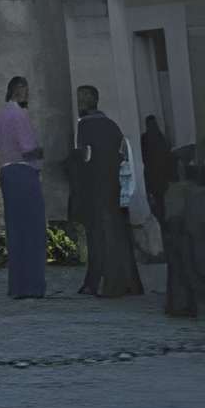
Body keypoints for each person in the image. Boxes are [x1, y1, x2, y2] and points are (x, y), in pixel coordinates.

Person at [70, 84, 144, 298]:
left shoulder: (84, 126)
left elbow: (84, 159)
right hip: (113, 188)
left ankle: (99, 282)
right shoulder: (112, 125)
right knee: (116, 233)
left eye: (81, 98)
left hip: (95, 190)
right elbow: (121, 157)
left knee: (98, 236)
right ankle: (123, 281)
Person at [0, 74, 47, 300]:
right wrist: (41, 151)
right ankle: (33, 286)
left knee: (15, 232)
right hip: (24, 172)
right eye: (24, 90)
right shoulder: (19, 115)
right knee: (33, 231)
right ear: (17, 91)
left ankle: (17, 286)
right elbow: (28, 148)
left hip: (6, 171)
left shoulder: (0, 116)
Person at [141, 115, 176, 228]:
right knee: (160, 202)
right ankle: (161, 223)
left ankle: (159, 223)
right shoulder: (159, 137)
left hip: (153, 176)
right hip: (159, 176)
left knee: (156, 201)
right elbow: (167, 155)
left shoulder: (145, 138)